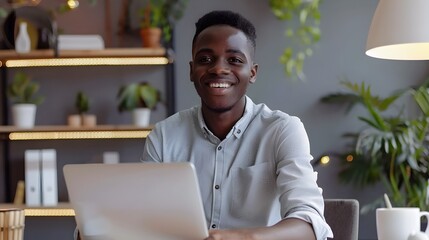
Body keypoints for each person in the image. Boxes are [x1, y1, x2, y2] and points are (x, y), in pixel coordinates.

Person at [142, 10, 333, 240]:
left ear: (252, 72)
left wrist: (242, 237)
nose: (218, 69)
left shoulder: (282, 131)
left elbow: (310, 226)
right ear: (192, 71)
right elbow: (145, 222)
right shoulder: (164, 137)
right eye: (205, 60)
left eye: (234, 60)